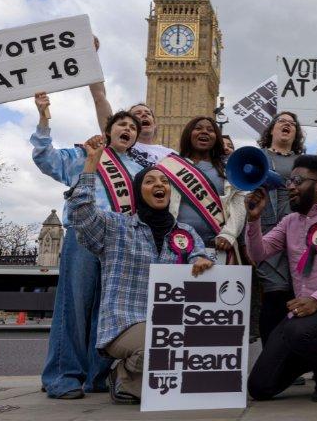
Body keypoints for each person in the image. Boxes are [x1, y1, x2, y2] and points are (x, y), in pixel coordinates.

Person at [68, 136, 213, 403]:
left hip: (172, 321)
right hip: (126, 321)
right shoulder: (115, 227)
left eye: (164, 182)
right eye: (149, 181)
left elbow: (199, 258)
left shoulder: (186, 232)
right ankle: (123, 374)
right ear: (138, 192)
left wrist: (201, 263)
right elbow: (80, 213)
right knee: (161, 346)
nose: (159, 185)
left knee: (194, 360)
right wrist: (91, 164)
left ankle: (131, 383)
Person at [32, 93, 144, 399]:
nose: (128, 129)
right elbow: (46, 158)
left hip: (117, 245)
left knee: (106, 311)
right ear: (108, 130)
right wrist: (44, 117)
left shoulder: (138, 169)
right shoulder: (86, 154)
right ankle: (63, 376)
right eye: (122, 123)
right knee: (73, 307)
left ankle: (96, 376)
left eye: (132, 127)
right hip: (83, 236)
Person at [245, 155, 317, 402]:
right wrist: (253, 220)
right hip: (302, 315)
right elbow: (258, 253)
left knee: (298, 331)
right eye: (289, 181)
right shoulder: (289, 221)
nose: (290, 186)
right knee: (259, 387)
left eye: (297, 180)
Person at [159, 117, 246, 263]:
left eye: (210, 130)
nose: (204, 132)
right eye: (198, 128)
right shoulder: (170, 165)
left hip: (218, 246)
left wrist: (229, 234)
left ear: (216, 137)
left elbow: (239, 203)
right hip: (177, 244)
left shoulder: (228, 169)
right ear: (189, 134)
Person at [254, 112, 306, 344]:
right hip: (268, 234)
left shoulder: (303, 162)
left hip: (299, 235)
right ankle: (271, 358)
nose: (287, 125)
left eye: (292, 124)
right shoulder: (258, 157)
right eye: (282, 122)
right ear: (272, 130)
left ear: (295, 134)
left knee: (295, 295)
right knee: (274, 295)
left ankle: (289, 358)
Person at [90, 81, 173, 166]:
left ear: (155, 125)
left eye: (148, 113)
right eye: (138, 113)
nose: (144, 114)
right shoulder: (118, 141)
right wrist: (93, 71)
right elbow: (99, 98)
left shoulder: (172, 154)